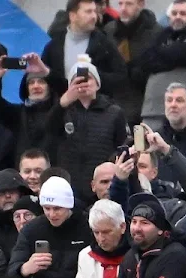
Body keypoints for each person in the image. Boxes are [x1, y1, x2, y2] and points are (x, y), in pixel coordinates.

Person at [41, 59, 126, 206]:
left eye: (88, 79)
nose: (83, 84)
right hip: (72, 181)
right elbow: (48, 129)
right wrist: (63, 102)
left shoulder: (114, 111)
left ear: (98, 84)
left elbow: (122, 143)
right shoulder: (63, 110)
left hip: (102, 182)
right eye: (76, 81)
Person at [138, 0, 186, 122]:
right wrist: (169, 57)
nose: (178, 17)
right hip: (154, 111)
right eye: (174, 13)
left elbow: (185, 54)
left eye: (183, 13)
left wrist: (161, 53)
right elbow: (145, 60)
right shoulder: (163, 33)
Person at [39, 0, 124, 98]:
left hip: (96, 109)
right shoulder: (54, 46)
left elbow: (121, 78)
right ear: (73, 16)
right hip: (63, 108)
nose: (94, 16)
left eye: (95, 11)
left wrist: (95, 75)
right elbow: (45, 80)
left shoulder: (105, 44)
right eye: (88, 12)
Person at [102, 0, 160, 125]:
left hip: (144, 103)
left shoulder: (156, 32)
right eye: (120, 3)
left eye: (129, 4)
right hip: (115, 102)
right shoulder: (110, 31)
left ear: (141, 4)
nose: (123, 8)